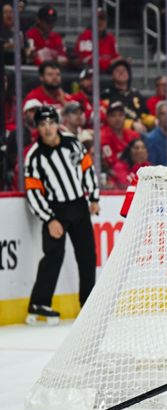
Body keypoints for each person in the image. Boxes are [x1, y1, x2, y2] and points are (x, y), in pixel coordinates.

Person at [24, 105, 99, 325]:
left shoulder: (72, 142)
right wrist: (49, 218)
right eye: (42, 124)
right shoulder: (34, 157)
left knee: (87, 256)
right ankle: (39, 303)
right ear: (37, 128)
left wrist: (93, 197)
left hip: (78, 205)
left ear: (57, 123)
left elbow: (87, 169)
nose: (47, 129)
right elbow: (34, 192)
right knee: (53, 255)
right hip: (56, 210)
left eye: (51, 123)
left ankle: (88, 305)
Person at [101, 59, 154, 133]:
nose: (122, 72)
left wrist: (154, 121)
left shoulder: (136, 94)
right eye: (118, 71)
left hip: (141, 129)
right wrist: (131, 124)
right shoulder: (107, 95)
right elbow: (107, 119)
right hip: (119, 131)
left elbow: (144, 114)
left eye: (124, 70)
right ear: (112, 76)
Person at [74, 8, 121, 72]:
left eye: (103, 19)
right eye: (97, 19)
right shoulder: (85, 36)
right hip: (89, 72)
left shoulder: (111, 38)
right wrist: (109, 62)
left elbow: (116, 57)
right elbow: (86, 59)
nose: (100, 22)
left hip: (108, 71)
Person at [100, 101, 140, 172]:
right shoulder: (103, 136)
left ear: (125, 117)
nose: (117, 119)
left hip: (135, 171)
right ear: (107, 118)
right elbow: (111, 162)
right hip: (115, 174)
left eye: (121, 115)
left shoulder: (134, 135)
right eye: (113, 115)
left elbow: (141, 158)